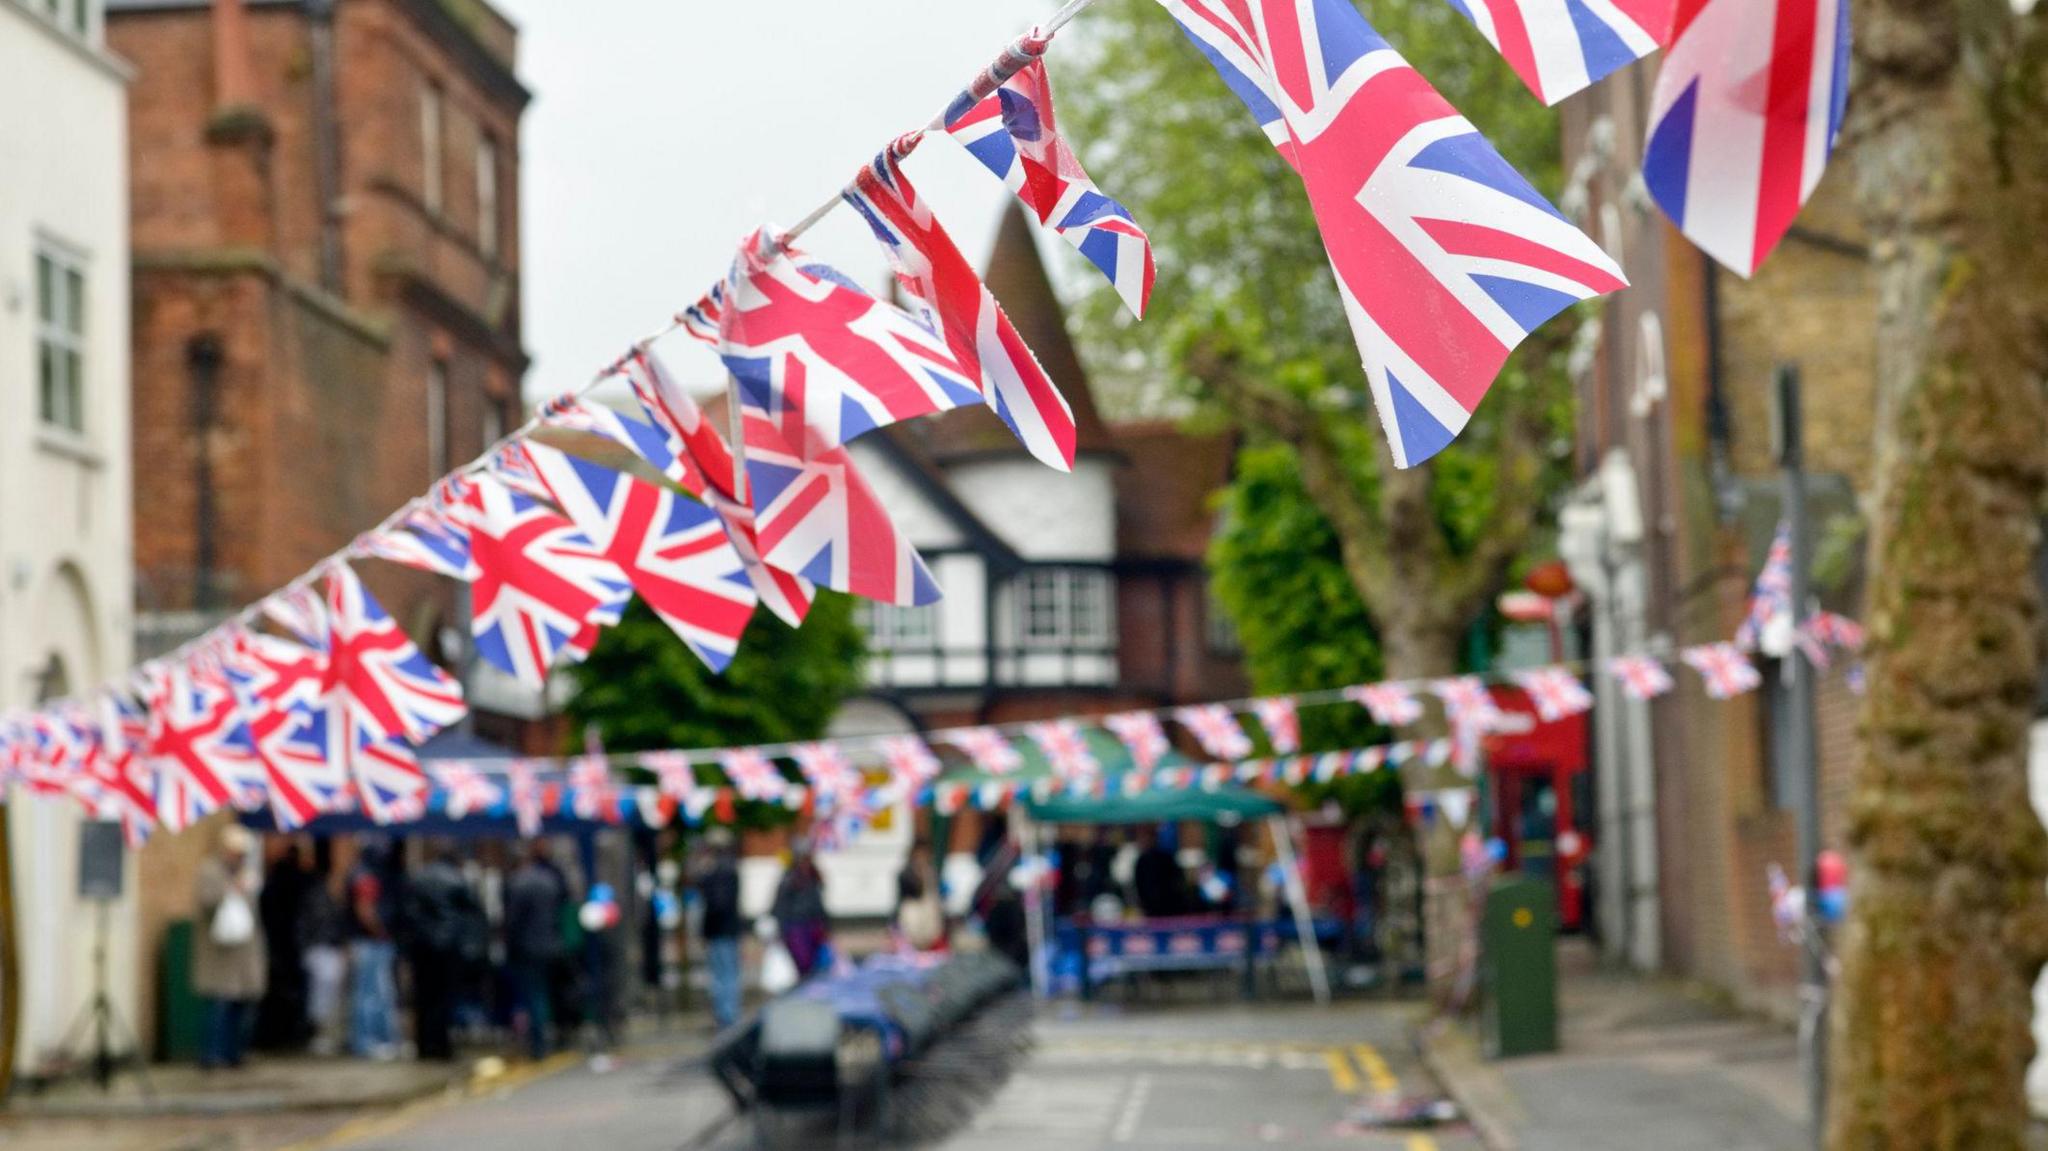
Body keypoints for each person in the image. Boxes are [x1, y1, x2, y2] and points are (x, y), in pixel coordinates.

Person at [195, 824, 266, 1070]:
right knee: (219, 1006)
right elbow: (207, 901)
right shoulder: (210, 871)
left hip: (243, 953)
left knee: (241, 1006)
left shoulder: (248, 873)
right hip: (219, 953)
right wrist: (231, 889)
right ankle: (212, 1055)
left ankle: (234, 1053)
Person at [403, 843, 478, 1062]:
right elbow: (470, 912)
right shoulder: (456, 879)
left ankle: (423, 1046)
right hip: (448, 948)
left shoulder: (418, 877)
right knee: (444, 999)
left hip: (421, 948)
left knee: (423, 998)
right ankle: (442, 1046)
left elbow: (409, 913)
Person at [504, 840, 568, 1060]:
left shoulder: (518, 884)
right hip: (552, 945)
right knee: (547, 994)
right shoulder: (551, 881)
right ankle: (556, 1036)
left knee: (535, 996)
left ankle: (539, 1044)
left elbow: (513, 922)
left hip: (528, 948)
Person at [346, 843, 401, 1060]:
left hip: (366, 942)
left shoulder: (360, 873)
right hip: (370, 943)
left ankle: (369, 1040)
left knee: (370, 993)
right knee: (372, 994)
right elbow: (365, 910)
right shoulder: (365, 876)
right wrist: (381, 932)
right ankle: (368, 1041)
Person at [255, 842, 311, 1050]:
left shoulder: (274, 883)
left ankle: (276, 1035)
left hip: (278, 943)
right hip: (286, 945)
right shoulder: (296, 883)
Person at [297, 845, 348, 1056]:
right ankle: (320, 1034)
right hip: (321, 949)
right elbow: (314, 924)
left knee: (328, 995)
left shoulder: (326, 896)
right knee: (322, 995)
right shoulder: (320, 897)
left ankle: (325, 1034)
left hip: (326, 949)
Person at [697, 830, 745, 1029]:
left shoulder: (721, 872)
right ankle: (726, 1016)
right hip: (723, 931)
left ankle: (727, 1018)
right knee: (725, 975)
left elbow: (718, 904)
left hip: (722, 930)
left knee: (725, 976)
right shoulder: (728, 870)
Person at [771, 846, 830, 978]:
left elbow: (819, 905)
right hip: (796, 926)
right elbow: (780, 906)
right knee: (803, 964)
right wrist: (781, 930)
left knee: (816, 964)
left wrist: (826, 926)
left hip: (814, 926)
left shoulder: (814, 877)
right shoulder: (790, 879)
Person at [894, 841, 945, 952]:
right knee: (913, 933)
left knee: (930, 932)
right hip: (913, 906)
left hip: (928, 907)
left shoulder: (931, 870)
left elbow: (934, 890)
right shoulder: (906, 872)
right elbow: (907, 892)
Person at [1133, 826, 1189, 920]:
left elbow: (1177, 880)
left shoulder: (1166, 858)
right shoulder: (1142, 860)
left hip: (1169, 907)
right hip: (1152, 908)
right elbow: (1139, 884)